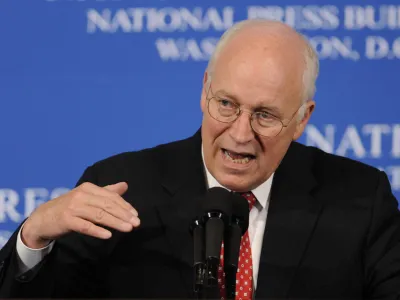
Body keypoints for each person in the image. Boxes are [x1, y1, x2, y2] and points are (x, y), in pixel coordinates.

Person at [0, 19, 399, 299]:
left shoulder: (361, 199)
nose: (241, 133)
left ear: (302, 119)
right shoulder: (120, 187)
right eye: (226, 104)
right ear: (204, 89)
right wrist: (32, 238)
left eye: (265, 115)